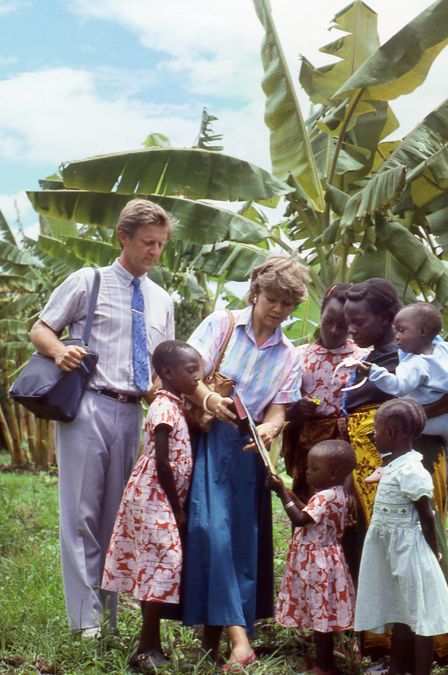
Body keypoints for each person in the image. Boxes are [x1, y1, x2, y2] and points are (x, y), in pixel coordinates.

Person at [29, 198, 175, 635]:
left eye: (161, 244)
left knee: (116, 520)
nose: (154, 252)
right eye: (147, 242)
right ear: (122, 238)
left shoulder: (161, 299)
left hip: (133, 413)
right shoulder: (87, 281)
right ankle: (85, 623)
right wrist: (58, 350)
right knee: (80, 515)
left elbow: (161, 361)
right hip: (87, 404)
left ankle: (108, 622)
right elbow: (40, 328)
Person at [340, 278, 448, 663]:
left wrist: (411, 421)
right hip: (376, 463)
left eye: (359, 321)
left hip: (410, 456)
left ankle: (435, 644)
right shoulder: (374, 355)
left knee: (417, 549)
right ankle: (388, 651)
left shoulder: (416, 352)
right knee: (383, 554)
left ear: (388, 319)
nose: (352, 330)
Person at [180, 254, 307, 667]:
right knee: (208, 530)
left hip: (248, 448)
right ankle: (240, 640)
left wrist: (271, 428)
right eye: (272, 298)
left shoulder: (290, 354)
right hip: (205, 435)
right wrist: (209, 398)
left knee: (238, 542)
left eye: (287, 304)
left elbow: (280, 409)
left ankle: (215, 643)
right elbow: (187, 372)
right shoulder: (222, 324)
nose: (277, 309)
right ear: (256, 292)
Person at [101, 340, 202, 671]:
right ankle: (145, 648)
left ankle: (151, 643)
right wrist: (178, 508)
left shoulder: (175, 403)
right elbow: (161, 462)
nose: (198, 377)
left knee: (159, 566)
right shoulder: (162, 407)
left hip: (160, 498)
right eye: (191, 371)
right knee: (165, 564)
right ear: (168, 374)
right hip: (155, 497)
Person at [354, 399, 448, 675]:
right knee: (402, 612)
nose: (373, 436)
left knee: (420, 616)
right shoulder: (393, 466)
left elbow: (427, 516)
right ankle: (396, 670)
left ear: (389, 432)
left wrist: (433, 553)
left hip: (410, 552)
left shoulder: (412, 470)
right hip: (390, 549)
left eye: (375, 431)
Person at [359, 302, 448, 521]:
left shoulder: (415, 364)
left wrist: (374, 372)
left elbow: (398, 386)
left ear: (421, 332)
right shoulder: (444, 350)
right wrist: (442, 344)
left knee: (385, 422)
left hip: (424, 421)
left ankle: (386, 464)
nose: (396, 337)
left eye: (401, 330)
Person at [268, 439, 358, 675]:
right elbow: (308, 512)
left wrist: (280, 492)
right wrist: (289, 496)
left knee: (321, 620)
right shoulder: (338, 494)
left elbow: (299, 519)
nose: (307, 472)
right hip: (329, 560)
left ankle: (325, 666)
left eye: (314, 468)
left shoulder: (323, 497)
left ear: (333, 473)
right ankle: (326, 662)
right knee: (324, 616)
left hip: (316, 564)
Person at [283, 283, 366, 504]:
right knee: (306, 505)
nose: (334, 331)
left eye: (343, 325)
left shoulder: (364, 358)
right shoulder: (298, 356)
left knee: (344, 509)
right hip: (309, 448)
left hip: (348, 449)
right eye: (328, 321)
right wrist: (298, 408)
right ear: (320, 314)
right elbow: (281, 408)